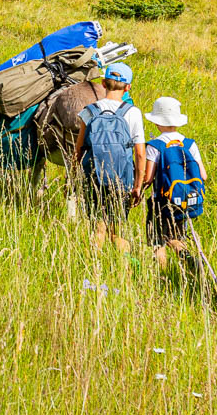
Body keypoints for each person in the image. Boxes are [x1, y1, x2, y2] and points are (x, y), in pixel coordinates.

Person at [72, 62, 146, 252]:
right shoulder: (133, 113)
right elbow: (139, 153)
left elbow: (79, 149)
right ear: (128, 87)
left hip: (93, 176)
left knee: (97, 228)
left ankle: (94, 269)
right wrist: (137, 186)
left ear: (103, 84)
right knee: (117, 232)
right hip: (121, 178)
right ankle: (125, 272)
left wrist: (73, 177)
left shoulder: (89, 111)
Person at [141, 97, 206, 272]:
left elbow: (148, 178)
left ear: (156, 122)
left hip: (161, 201)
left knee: (158, 240)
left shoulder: (155, 146)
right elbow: (203, 175)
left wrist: (138, 190)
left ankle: (162, 275)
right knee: (176, 237)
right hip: (185, 200)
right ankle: (189, 261)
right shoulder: (190, 144)